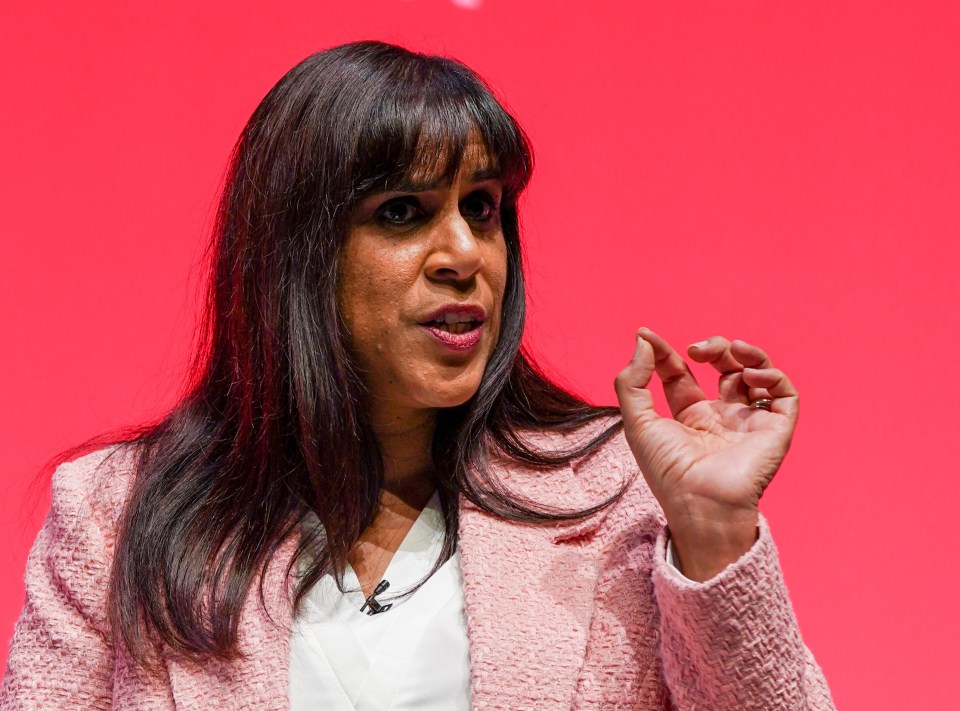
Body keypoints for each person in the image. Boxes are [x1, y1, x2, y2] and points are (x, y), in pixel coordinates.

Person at [1, 40, 835, 710]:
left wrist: (715, 531)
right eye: (403, 212)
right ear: (296, 255)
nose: (466, 255)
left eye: (482, 208)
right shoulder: (114, 517)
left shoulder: (619, 490)